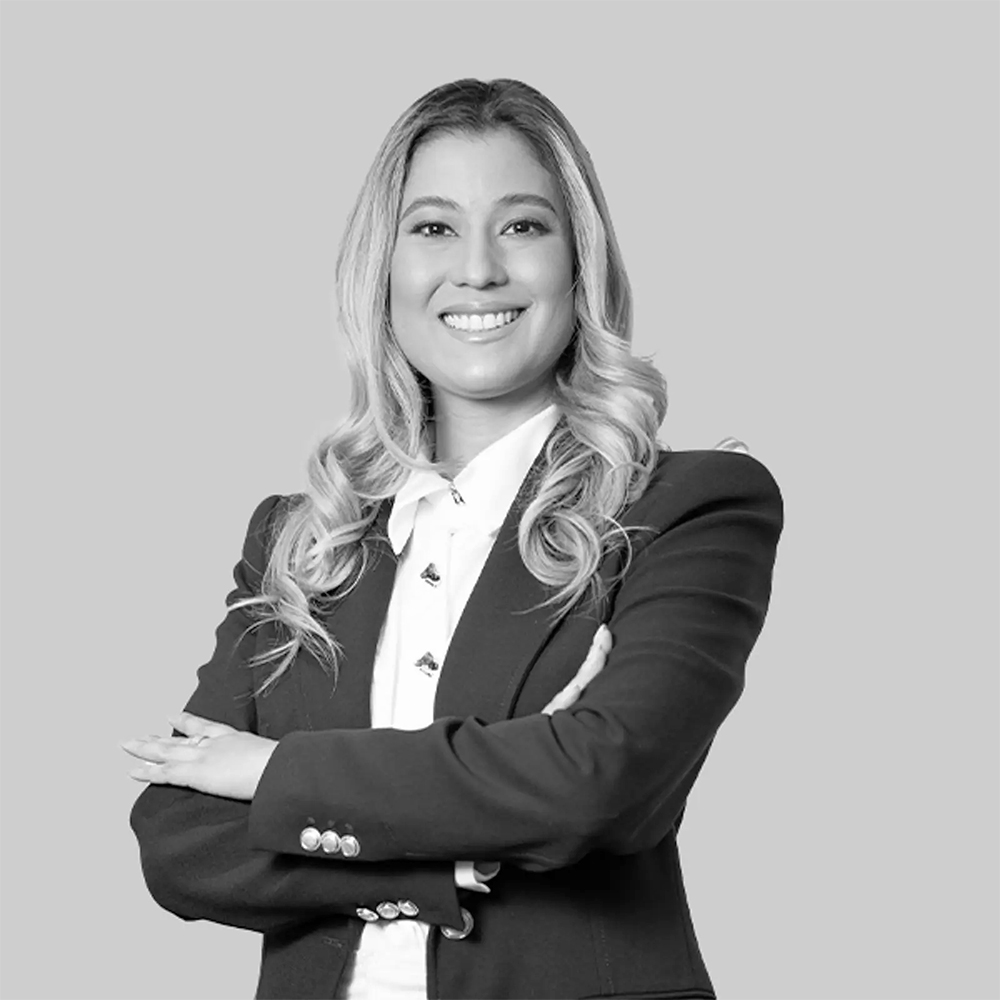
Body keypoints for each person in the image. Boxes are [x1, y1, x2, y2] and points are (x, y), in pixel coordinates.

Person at [125, 77, 783, 1000]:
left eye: (523, 226)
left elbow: (598, 785)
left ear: (579, 264)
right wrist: (443, 857)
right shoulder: (301, 539)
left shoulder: (686, 506)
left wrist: (272, 774)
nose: (477, 269)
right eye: (433, 227)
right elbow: (179, 841)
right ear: (383, 270)